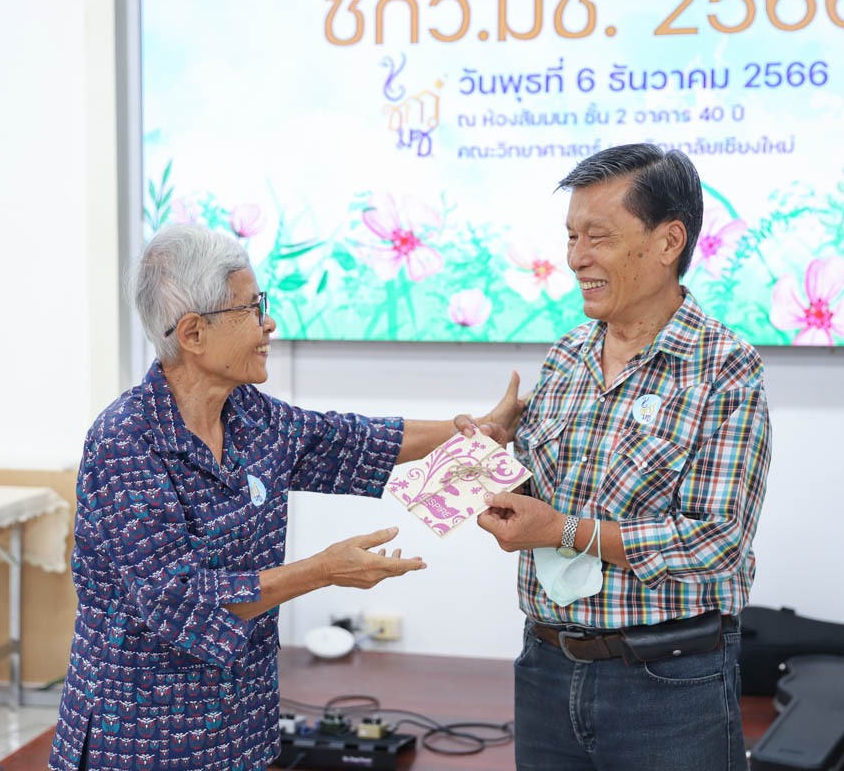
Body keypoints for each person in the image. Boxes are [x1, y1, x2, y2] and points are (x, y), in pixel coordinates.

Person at [47, 224, 522, 771]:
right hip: (141, 734)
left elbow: (350, 439)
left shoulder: (248, 414)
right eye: (251, 309)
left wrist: (476, 431)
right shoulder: (127, 440)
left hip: (240, 721)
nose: (268, 323)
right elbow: (179, 599)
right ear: (194, 333)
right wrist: (323, 570)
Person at [477, 144, 772, 770]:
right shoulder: (566, 356)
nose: (576, 257)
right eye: (571, 236)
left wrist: (564, 531)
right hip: (545, 666)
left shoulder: (723, 367)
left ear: (668, 241)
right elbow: (540, 504)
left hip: (668, 684)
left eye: (599, 237)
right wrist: (489, 456)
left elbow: (718, 542)